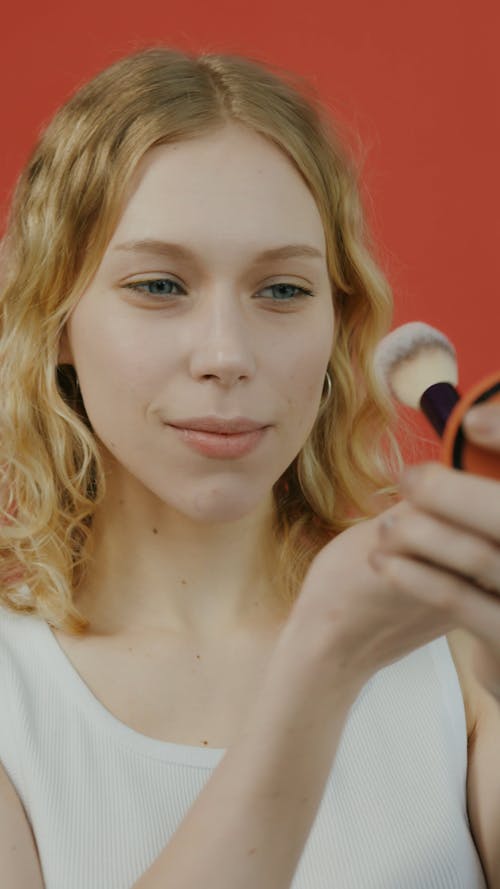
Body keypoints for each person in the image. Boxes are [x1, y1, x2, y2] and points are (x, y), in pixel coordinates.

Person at [0, 46, 498, 889]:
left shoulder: (456, 657)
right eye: (160, 286)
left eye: (282, 291)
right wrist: (322, 666)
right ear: (55, 321)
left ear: (339, 326)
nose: (228, 355)